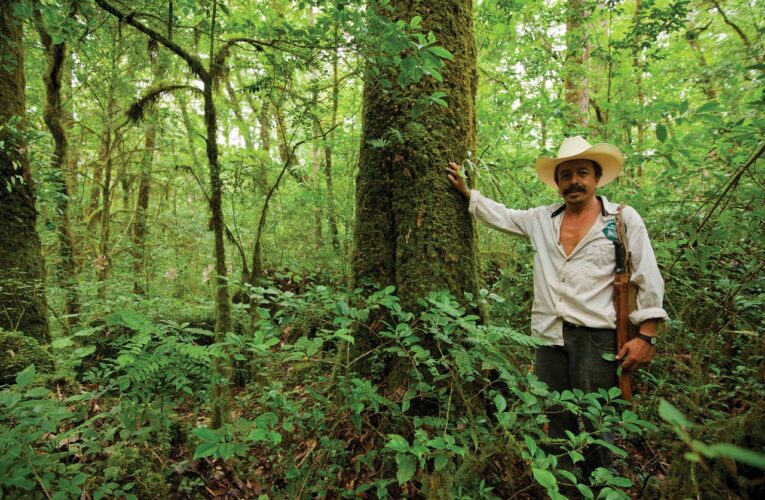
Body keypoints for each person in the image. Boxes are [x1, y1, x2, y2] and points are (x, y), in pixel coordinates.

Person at [447, 136, 667, 477]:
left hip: (598, 338)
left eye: (582, 173)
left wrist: (647, 336)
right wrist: (467, 193)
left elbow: (647, 275)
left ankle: (599, 483)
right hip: (548, 337)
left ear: (596, 179)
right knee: (555, 416)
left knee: (598, 421)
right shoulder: (542, 219)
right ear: (558, 183)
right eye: (566, 175)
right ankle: (564, 484)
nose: (574, 181)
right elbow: (503, 216)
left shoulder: (621, 219)